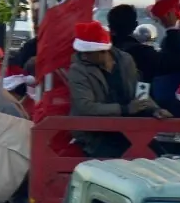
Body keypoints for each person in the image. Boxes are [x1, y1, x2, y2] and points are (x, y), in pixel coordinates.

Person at [67, 21, 166, 158]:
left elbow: (137, 92)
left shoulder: (125, 60)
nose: (83, 56)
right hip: (97, 133)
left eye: (88, 53)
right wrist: (124, 109)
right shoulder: (78, 70)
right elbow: (85, 106)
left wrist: (155, 109)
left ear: (103, 51)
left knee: (158, 156)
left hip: (130, 128)